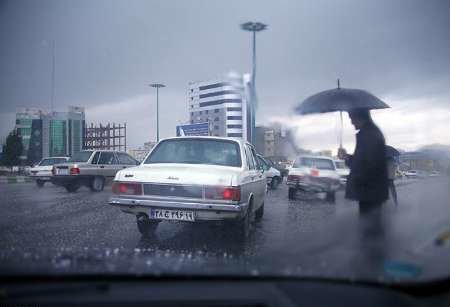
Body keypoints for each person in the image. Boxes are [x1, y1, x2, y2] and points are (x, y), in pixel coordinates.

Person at [338, 109, 389, 215]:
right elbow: (363, 161)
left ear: (360, 116)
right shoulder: (369, 132)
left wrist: (355, 179)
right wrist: (346, 157)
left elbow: (368, 166)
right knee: (370, 226)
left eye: (352, 118)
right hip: (371, 191)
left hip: (370, 191)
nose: (351, 122)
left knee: (370, 227)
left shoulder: (369, 135)